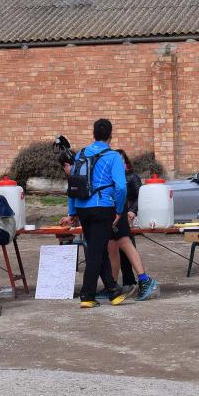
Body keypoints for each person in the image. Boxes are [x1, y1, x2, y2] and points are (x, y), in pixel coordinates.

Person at [63, 119, 135, 308]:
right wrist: (119, 210)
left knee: (99, 247)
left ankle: (112, 290)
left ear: (93, 134)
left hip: (82, 207)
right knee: (95, 251)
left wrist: (72, 211)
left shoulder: (81, 154)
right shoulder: (113, 157)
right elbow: (120, 187)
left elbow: (72, 183)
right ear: (111, 135)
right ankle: (87, 295)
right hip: (103, 206)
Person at [107, 150, 158, 301]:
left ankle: (142, 280)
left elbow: (138, 197)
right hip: (113, 211)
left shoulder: (131, 177)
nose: (119, 164)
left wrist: (132, 211)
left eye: (122, 161)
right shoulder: (112, 176)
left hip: (122, 214)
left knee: (124, 243)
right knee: (112, 247)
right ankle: (113, 286)